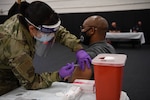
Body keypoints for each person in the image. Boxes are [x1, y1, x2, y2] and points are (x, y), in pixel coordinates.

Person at [0, 1, 91, 95]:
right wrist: (58, 75)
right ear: (32, 29)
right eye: (49, 33)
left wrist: (78, 48)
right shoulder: (15, 44)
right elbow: (32, 82)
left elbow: (59, 32)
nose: (53, 35)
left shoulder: (30, 20)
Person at [68, 15, 116, 82]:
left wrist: (68, 76)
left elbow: (75, 84)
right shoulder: (110, 48)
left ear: (91, 31)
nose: (82, 31)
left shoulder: (87, 57)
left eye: (83, 28)